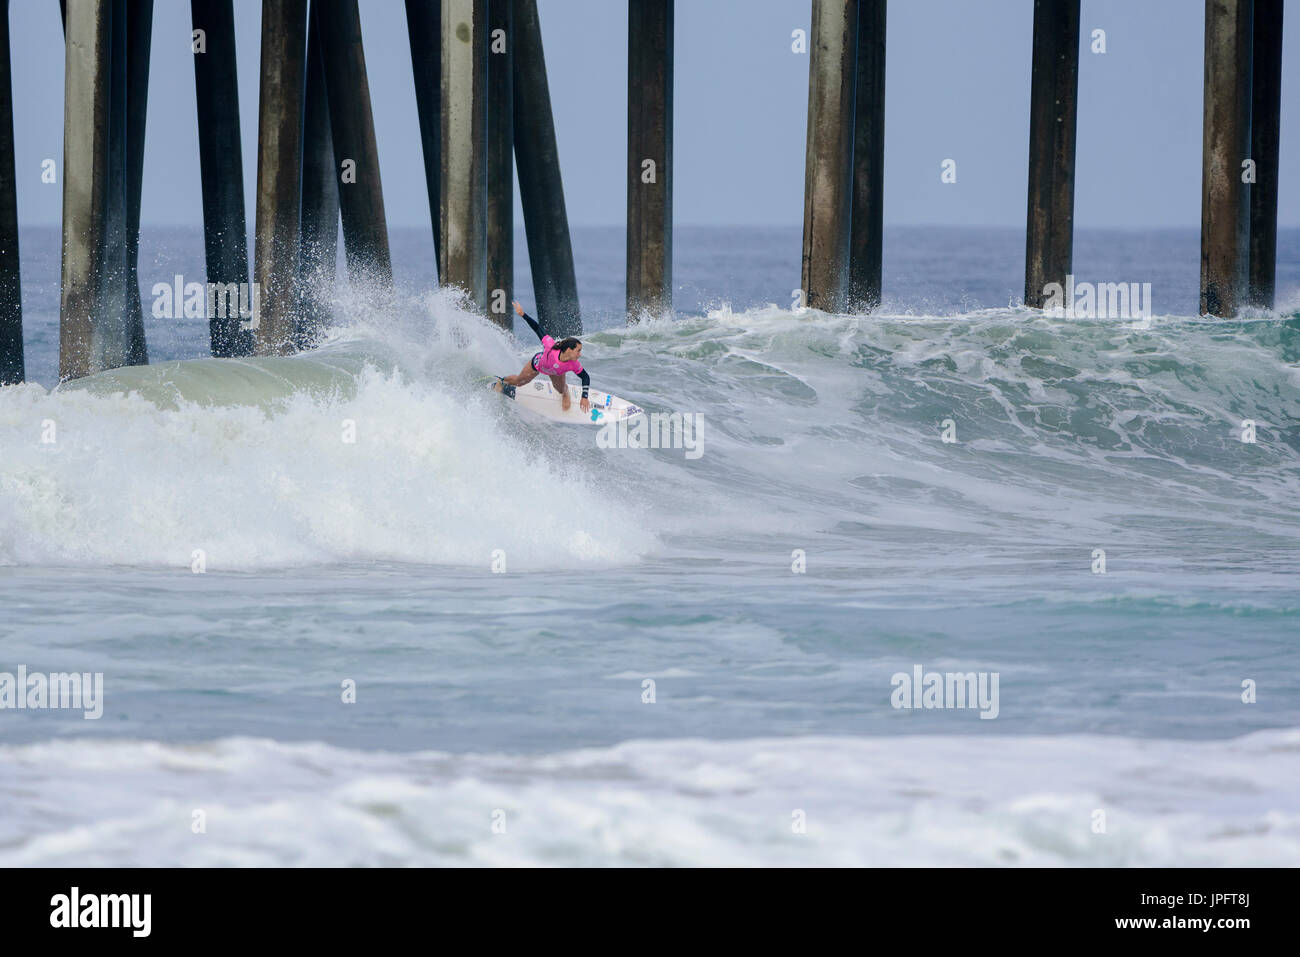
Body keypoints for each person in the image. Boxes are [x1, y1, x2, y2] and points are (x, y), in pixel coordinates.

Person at [501, 301, 591, 413]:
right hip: (537, 365)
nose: (580, 354)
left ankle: (565, 393)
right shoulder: (550, 346)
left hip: (555, 372)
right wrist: (523, 314)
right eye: (578, 351)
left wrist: (584, 397)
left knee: (560, 389)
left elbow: (585, 377)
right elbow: (537, 328)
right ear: (569, 350)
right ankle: (501, 381)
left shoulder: (573, 364)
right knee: (519, 382)